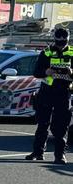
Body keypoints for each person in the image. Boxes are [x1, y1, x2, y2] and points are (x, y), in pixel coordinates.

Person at [26, 27, 73, 164]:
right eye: (59, 43)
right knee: (42, 124)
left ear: (67, 40)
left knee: (61, 126)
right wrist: (46, 71)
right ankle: (38, 152)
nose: (61, 46)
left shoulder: (72, 53)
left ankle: (60, 155)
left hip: (64, 93)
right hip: (47, 92)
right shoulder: (46, 53)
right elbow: (36, 72)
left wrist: (71, 72)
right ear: (55, 40)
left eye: (63, 43)